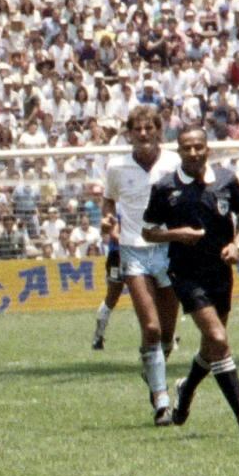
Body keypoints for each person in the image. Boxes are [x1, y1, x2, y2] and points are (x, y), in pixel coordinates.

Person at [145, 125, 239, 436]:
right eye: (186, 148)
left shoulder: (226, 181)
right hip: (185, 274)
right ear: (178, 151)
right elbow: (148, 230)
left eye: (198, 147)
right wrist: (176, 235)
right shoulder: (165, 187)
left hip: (220, 273)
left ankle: (186, 389)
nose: (193, 152)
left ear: (207, 149)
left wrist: (236, 243)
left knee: (211, 346)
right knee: (219, 340)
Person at [94, 108, 183, 416]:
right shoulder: (117, 166)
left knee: (168, 335)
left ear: (158, 131)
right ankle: (161, 400)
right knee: (151, 327)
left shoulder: (174, 163)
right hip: (134, 249)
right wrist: (108, 221)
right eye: (137, 129)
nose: (143, 134)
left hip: (170, 251)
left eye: (149, 128)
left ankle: (153, 366)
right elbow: (109, 200)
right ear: (129, 133)